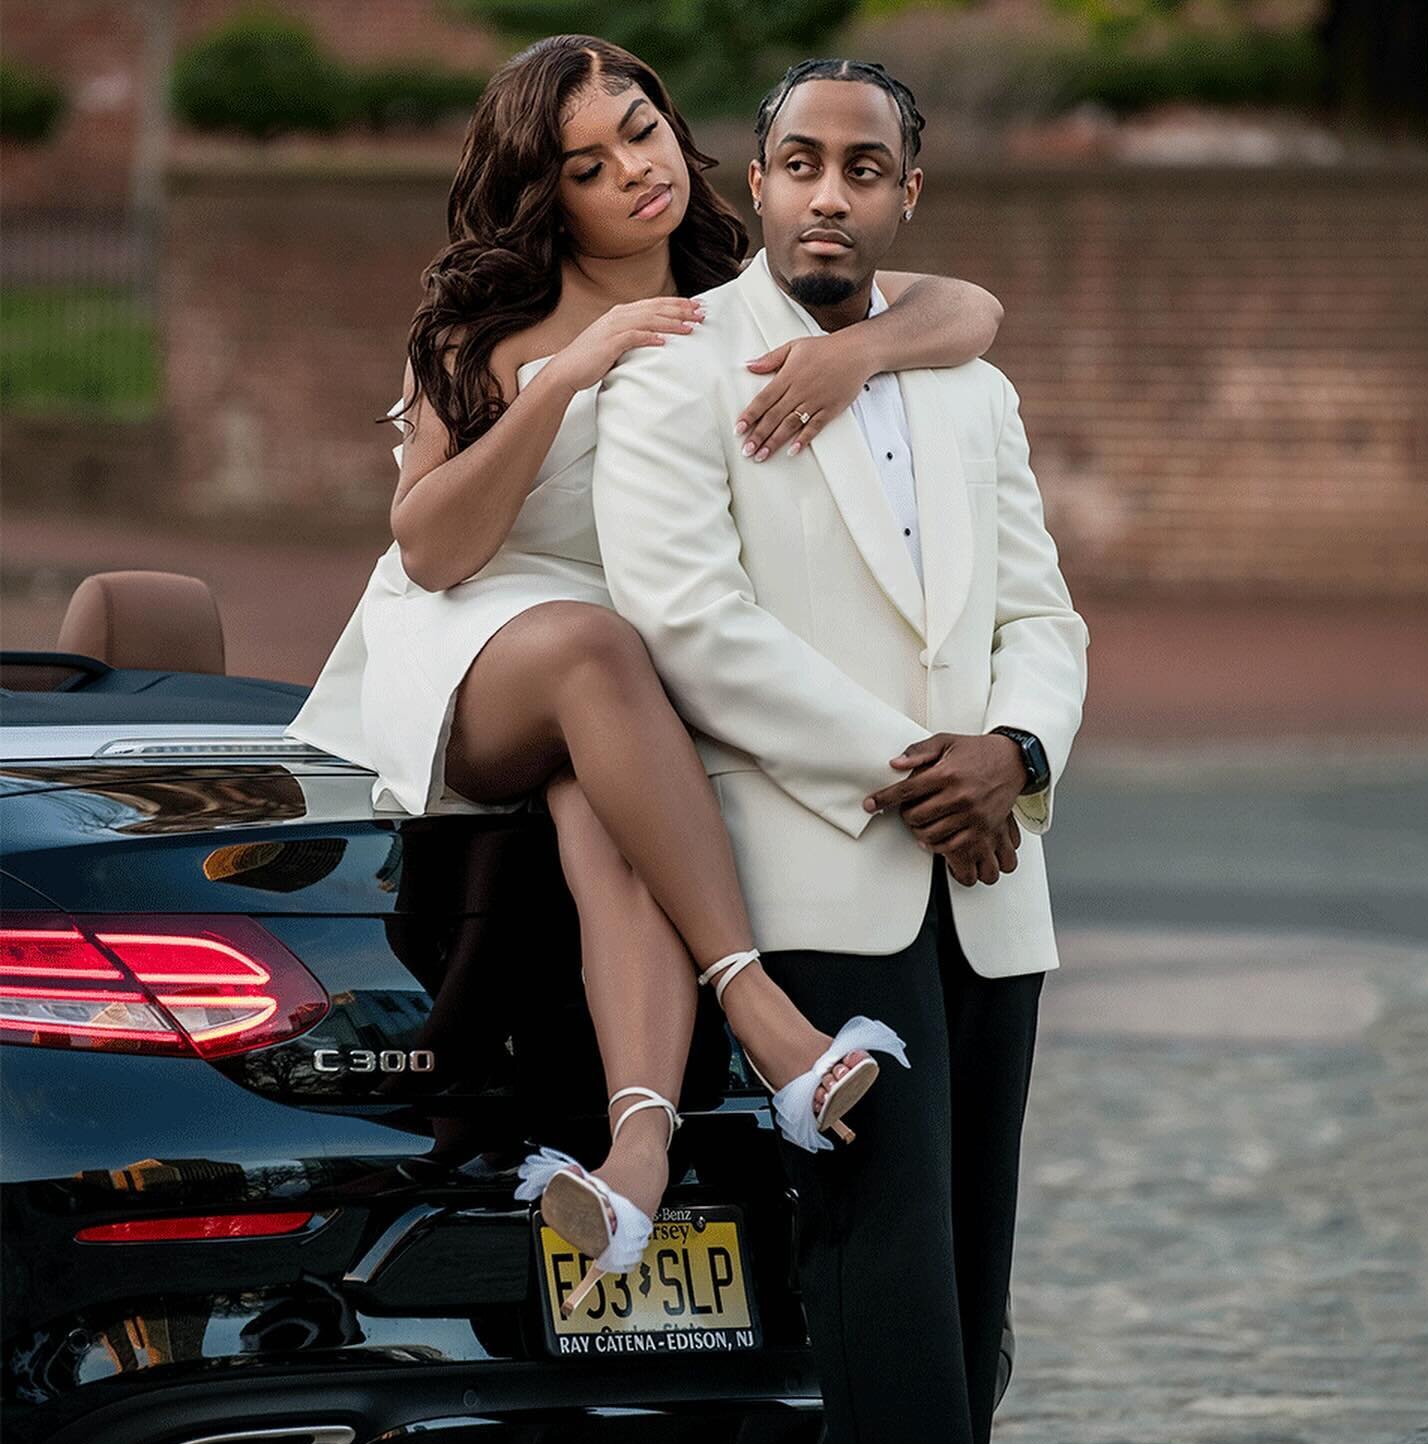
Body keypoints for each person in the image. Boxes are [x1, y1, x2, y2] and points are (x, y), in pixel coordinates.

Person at [283, 35, 1007, 1293]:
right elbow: (434, 549)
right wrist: (570, 371)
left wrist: (853, 353)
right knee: (590, 647)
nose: (632, 169)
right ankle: (773, 1029)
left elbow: (970, 310)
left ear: (677, 126)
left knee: (604, 807)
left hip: (628, 678)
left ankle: (633, 1165)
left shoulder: (745, 280)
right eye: (585, 163)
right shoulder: (484, 323)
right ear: (544, 192)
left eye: (641, 128)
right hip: (480, 648)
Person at [590, 58, 1089, 1444]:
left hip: (987, 886)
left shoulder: (973, 393)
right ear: (759, 173)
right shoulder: (677, 374)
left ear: (905, 199)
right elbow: (687, 624)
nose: (825, 194)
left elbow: (1046, 612)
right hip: (820, 875)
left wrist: (1012, 753)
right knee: (880, 1277)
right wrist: (915, 769)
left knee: (967, 1292)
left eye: (861, 169)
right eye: (798, 162)